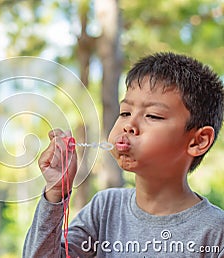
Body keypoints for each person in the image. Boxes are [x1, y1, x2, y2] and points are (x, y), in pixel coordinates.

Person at [23, 52, 224, 257]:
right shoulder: (105, 209)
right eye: (125, 112)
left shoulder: (215, 232)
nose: (129, 125)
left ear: (198, 141)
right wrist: (56, 191)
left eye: (152, 116)